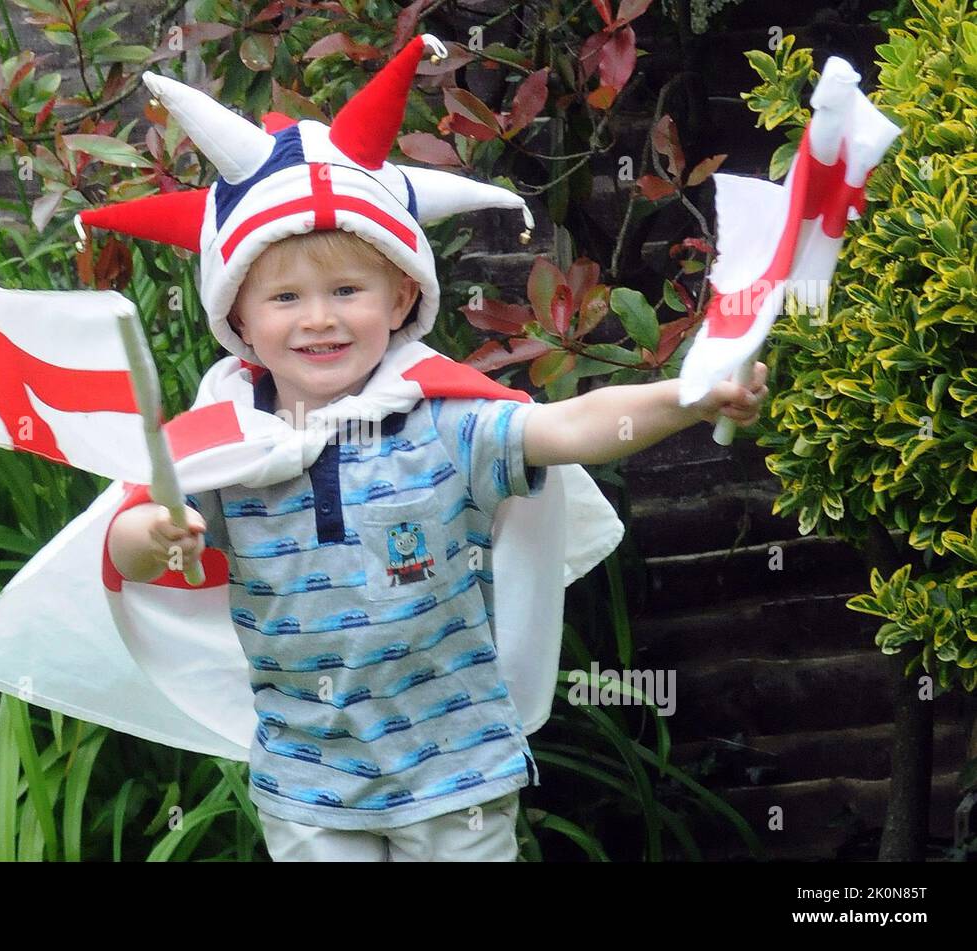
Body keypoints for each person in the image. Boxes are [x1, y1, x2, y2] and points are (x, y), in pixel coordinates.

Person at [85, 33, 766, 861]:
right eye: (285, 296)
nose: (318, 317)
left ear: (403, 290)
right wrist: (153, 532)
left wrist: (684, 395)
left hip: (457, 774)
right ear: (239, 316)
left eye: (347, 289)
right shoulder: (221, 445)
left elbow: (567, 427)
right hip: (309, 783)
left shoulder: (445, 419)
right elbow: (129, 545)